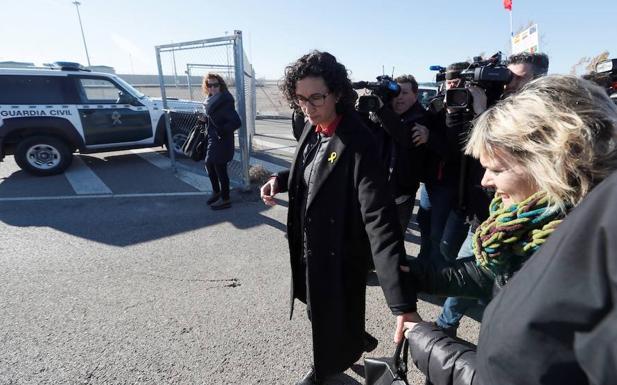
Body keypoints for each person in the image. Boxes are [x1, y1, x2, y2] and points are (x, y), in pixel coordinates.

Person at [404, 75, 617, 385]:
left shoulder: (595, 259)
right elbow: (491, 274)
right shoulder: (529, 226)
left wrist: (430, 345)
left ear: (552, 163)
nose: (484, 181)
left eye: (497, 169)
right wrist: (413, 274)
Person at [259, 51, 418, 385]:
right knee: (316, 307)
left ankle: (326, 369)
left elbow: (379, 219)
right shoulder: (311, 124)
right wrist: (282, 179)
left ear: (337, 93)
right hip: (307, 247)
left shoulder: (359, 141)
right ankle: (354, 338)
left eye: (316, 97)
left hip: (338, 253)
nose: (308, 107)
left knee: (325, 318)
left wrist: (402, 302)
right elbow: (311, 167)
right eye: (300, 99)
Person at [434, 51, 551, 337]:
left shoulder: (549, 118)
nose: (510, 83)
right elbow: (463, 149)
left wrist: (483, 113)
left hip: (532, 223)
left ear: (541, 79)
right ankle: (445, 327)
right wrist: (466, 112)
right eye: (508, 76)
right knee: (468, 269)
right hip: (485, 215)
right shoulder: (495, 104)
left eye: (519, 77)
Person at [371, 74, 429, 231]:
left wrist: (381, 109)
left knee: (394, 243)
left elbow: (405, 136)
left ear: (415, 95)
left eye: (405, 93)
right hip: (377, 192)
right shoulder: (384, 114)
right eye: (396, 93)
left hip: (401, 196)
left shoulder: (421, 117)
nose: (399, 98)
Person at [198, 73, 241, 210]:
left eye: (215, 85)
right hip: (212, 138)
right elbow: (214, 118)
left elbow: (236, 122)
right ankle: (217, 191)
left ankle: (226, 199)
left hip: (222, 139)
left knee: (219, 168)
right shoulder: (210, 99)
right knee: (209, 164)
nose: (213, 88)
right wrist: (204, 120)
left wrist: (220, 131)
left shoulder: (225, 100)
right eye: (209, 85)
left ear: (220, 85)